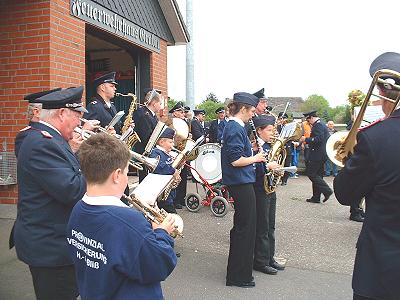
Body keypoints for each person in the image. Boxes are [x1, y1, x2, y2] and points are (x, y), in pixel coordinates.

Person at [67, 133, 177, 300]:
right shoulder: (130, 221)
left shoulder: (78, 209)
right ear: (117, 175)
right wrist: (162, 233)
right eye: (126, 172)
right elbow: (160, 264)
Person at [334, 51, 400, 300]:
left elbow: (344, 193)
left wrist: (349, 157)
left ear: (383, 93)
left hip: (383, 269)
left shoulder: (375, 138)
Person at [13, 86, 88, 300]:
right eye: (77, 115)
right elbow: (72, 189)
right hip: (51, 247)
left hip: (55, 240)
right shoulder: (41, 142)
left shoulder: (49, 139)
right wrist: (100, 164)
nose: (79, 122)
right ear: (62, 113)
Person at [222, 92, 266, 288]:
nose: (252, 115)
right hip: (240, 182)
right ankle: (238, 276)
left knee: (245, 227)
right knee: (245, 228)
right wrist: (256, 158)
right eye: (251, 111)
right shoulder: (234, 127)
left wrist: (251, 150)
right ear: (243, 109)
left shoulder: (236, 126)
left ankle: (239, 273)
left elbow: (239, 153)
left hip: (242, 181)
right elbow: (235, 160)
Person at [252, 115, 284, 275]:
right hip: (260, 190)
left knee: (271, 225)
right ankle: (260, 261)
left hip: (271, 189)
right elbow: (254, 170)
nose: (273, 133)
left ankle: (270, 257)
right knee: (263, 227)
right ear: (259, 131)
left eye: (273, 130)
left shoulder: (270, 147)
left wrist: (277, 169)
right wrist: (268, 166)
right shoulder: (255, 148)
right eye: (269, 130)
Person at [299, 110, 332, 203]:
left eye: (308, 120)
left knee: (312, 174)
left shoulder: (318, 125)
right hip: (321, 154)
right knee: (318, 175)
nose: (309, 123)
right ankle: (316, 197)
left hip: (317, 154)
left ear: (311, 118)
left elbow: (318, 139)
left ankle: (327, 191)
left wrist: (306, 139)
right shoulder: (320, 124)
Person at [133, 88, 163, 182]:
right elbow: (147, 136)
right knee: (146, 180)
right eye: (160, 103)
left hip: (151, 151)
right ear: (154, 103)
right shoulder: (143, 113)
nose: (161, 106)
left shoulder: (151, 115)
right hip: (145, 152)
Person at [149, 127, 180, 214]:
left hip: (168, 192)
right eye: (170, 142)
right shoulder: (155, 152)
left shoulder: (168, 154)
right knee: (172, 216)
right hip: (160, 191)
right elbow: (159, 166)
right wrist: (173, 171)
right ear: (161, 142)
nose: (172, 145)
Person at [169, 101, 188, 209]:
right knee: (175, 175)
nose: (183, 114)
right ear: (175, 113)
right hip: (174, 149)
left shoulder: (185, 122)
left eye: (183, 112)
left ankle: (182, 198)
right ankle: (175, 200)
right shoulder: (170, 122)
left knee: (183, 175)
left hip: (183, 150)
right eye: (180, 112)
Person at [277, 112, 292, 185]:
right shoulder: (277, 127)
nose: (282, 120)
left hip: (287, 147)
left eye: (284, 118)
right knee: (278, 163)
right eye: (281, 118)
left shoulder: (289, 127)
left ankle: (285, 179)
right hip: (278, 148)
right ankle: (278, 178)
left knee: (286, 164)